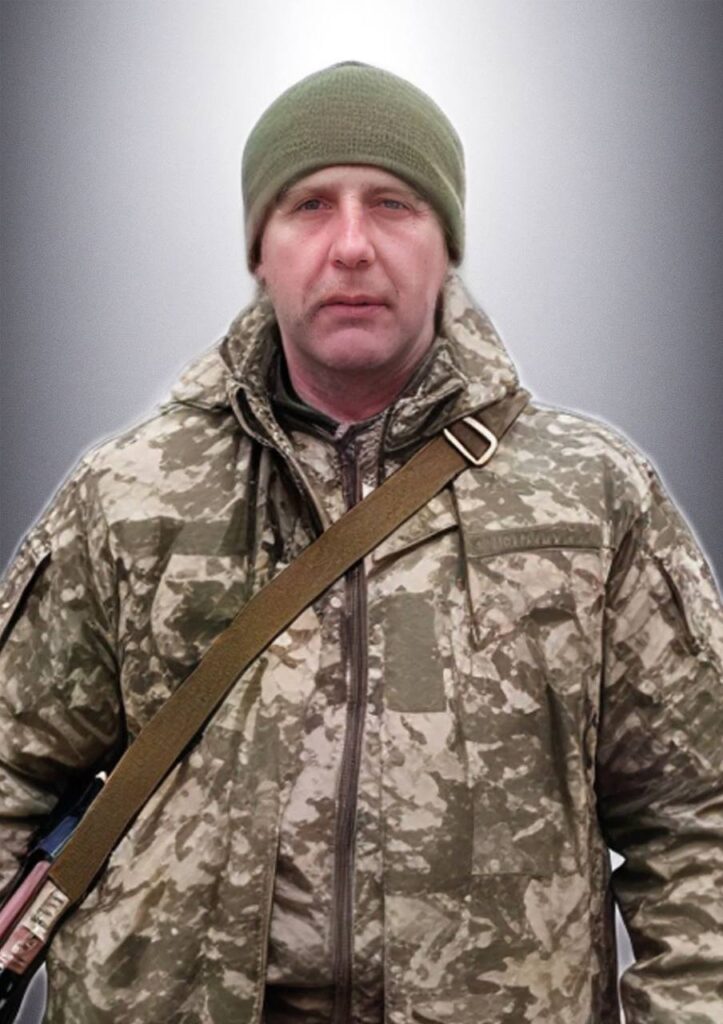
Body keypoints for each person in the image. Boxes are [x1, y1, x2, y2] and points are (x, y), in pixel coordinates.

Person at [0, 60, 721, 1024]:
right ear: (259, 249)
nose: (350, 246)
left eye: (392, 204)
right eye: (308, 205)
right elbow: (9, 769)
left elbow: (697, 817)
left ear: (446, 243)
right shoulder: (128, 493)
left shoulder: (591, 496)